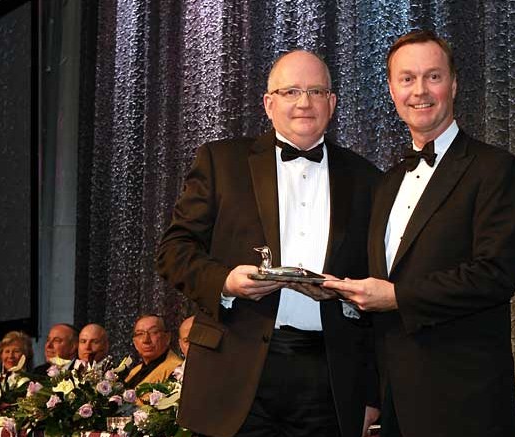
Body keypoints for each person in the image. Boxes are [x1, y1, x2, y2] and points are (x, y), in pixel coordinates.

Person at [157, 50, 380, 437]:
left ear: (333, 102)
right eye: (291, 91)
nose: (304, 102)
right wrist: (225, 281)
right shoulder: (220, 161)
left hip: (330, 377)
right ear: (269, 102)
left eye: (316, 91)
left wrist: (372, 393)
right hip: (233, 369)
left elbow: (378, 288)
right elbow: (175, 250)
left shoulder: (367, 178)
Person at [324, 30, 515, 437]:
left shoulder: (494, 168)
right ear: (391, 89)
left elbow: (494, 275)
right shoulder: (386, 182)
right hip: (395, 403)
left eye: (433, 77)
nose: (420, 91)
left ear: (453, 84)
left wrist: (396, 296)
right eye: (407, 79)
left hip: (466, 401)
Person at [124, 314, 183, 388]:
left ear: (167, 338)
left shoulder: (177, 371)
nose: (146, 340)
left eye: (153, 332)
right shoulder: (134, 371)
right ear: (135, 343)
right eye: (140, 334)